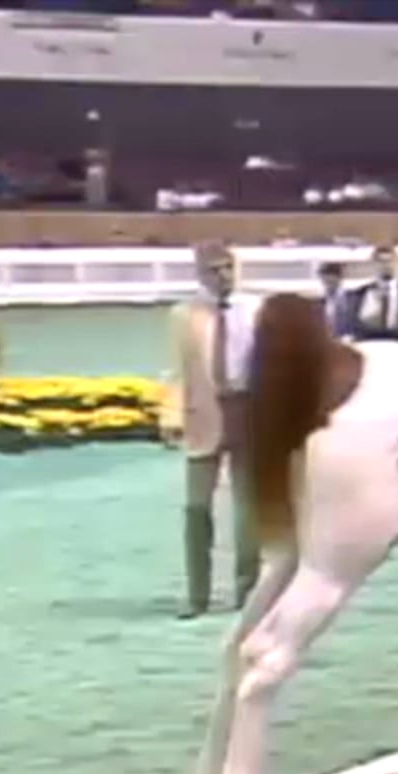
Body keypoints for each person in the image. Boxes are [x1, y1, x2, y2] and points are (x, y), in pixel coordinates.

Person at [160, 240, 261, 620]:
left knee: (249, 509)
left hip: (249, 413)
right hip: (203, 416)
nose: (222, 276)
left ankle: (247, 591)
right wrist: (171, 416)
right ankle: (197, 595)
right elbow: (175, 370)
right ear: (199, 274)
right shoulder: (184, 316)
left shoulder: (256, 311)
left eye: (227, 268)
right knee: (197, 508)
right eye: (213, 270)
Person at [345, 243, 398, 345]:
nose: (386, 265)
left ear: (397, 263)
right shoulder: (359, 295)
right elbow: (351, 328)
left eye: (390, 261)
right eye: (381, 261)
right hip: (370, 346)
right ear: (373, 264)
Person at [316, 261, 351, 337]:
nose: (324, 282)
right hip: (333, 335)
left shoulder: (342, 296)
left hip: (340, 335)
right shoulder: (329, 295)